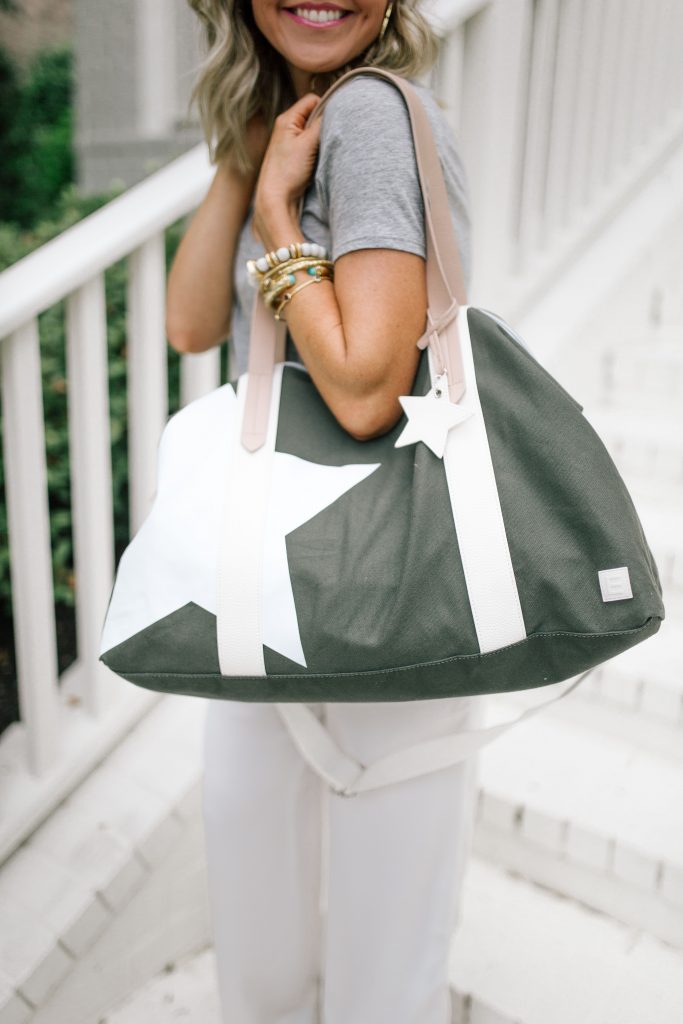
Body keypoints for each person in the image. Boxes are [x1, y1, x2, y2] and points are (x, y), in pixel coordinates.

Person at [166, 2, 485, 1021]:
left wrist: (275, 222)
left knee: (370, 951)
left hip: (376, 564)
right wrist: (246, 153)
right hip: (281, 564)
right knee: (296, 904)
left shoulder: (373, 120)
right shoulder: (300, 123)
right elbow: (188, 321)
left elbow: (359, 388)